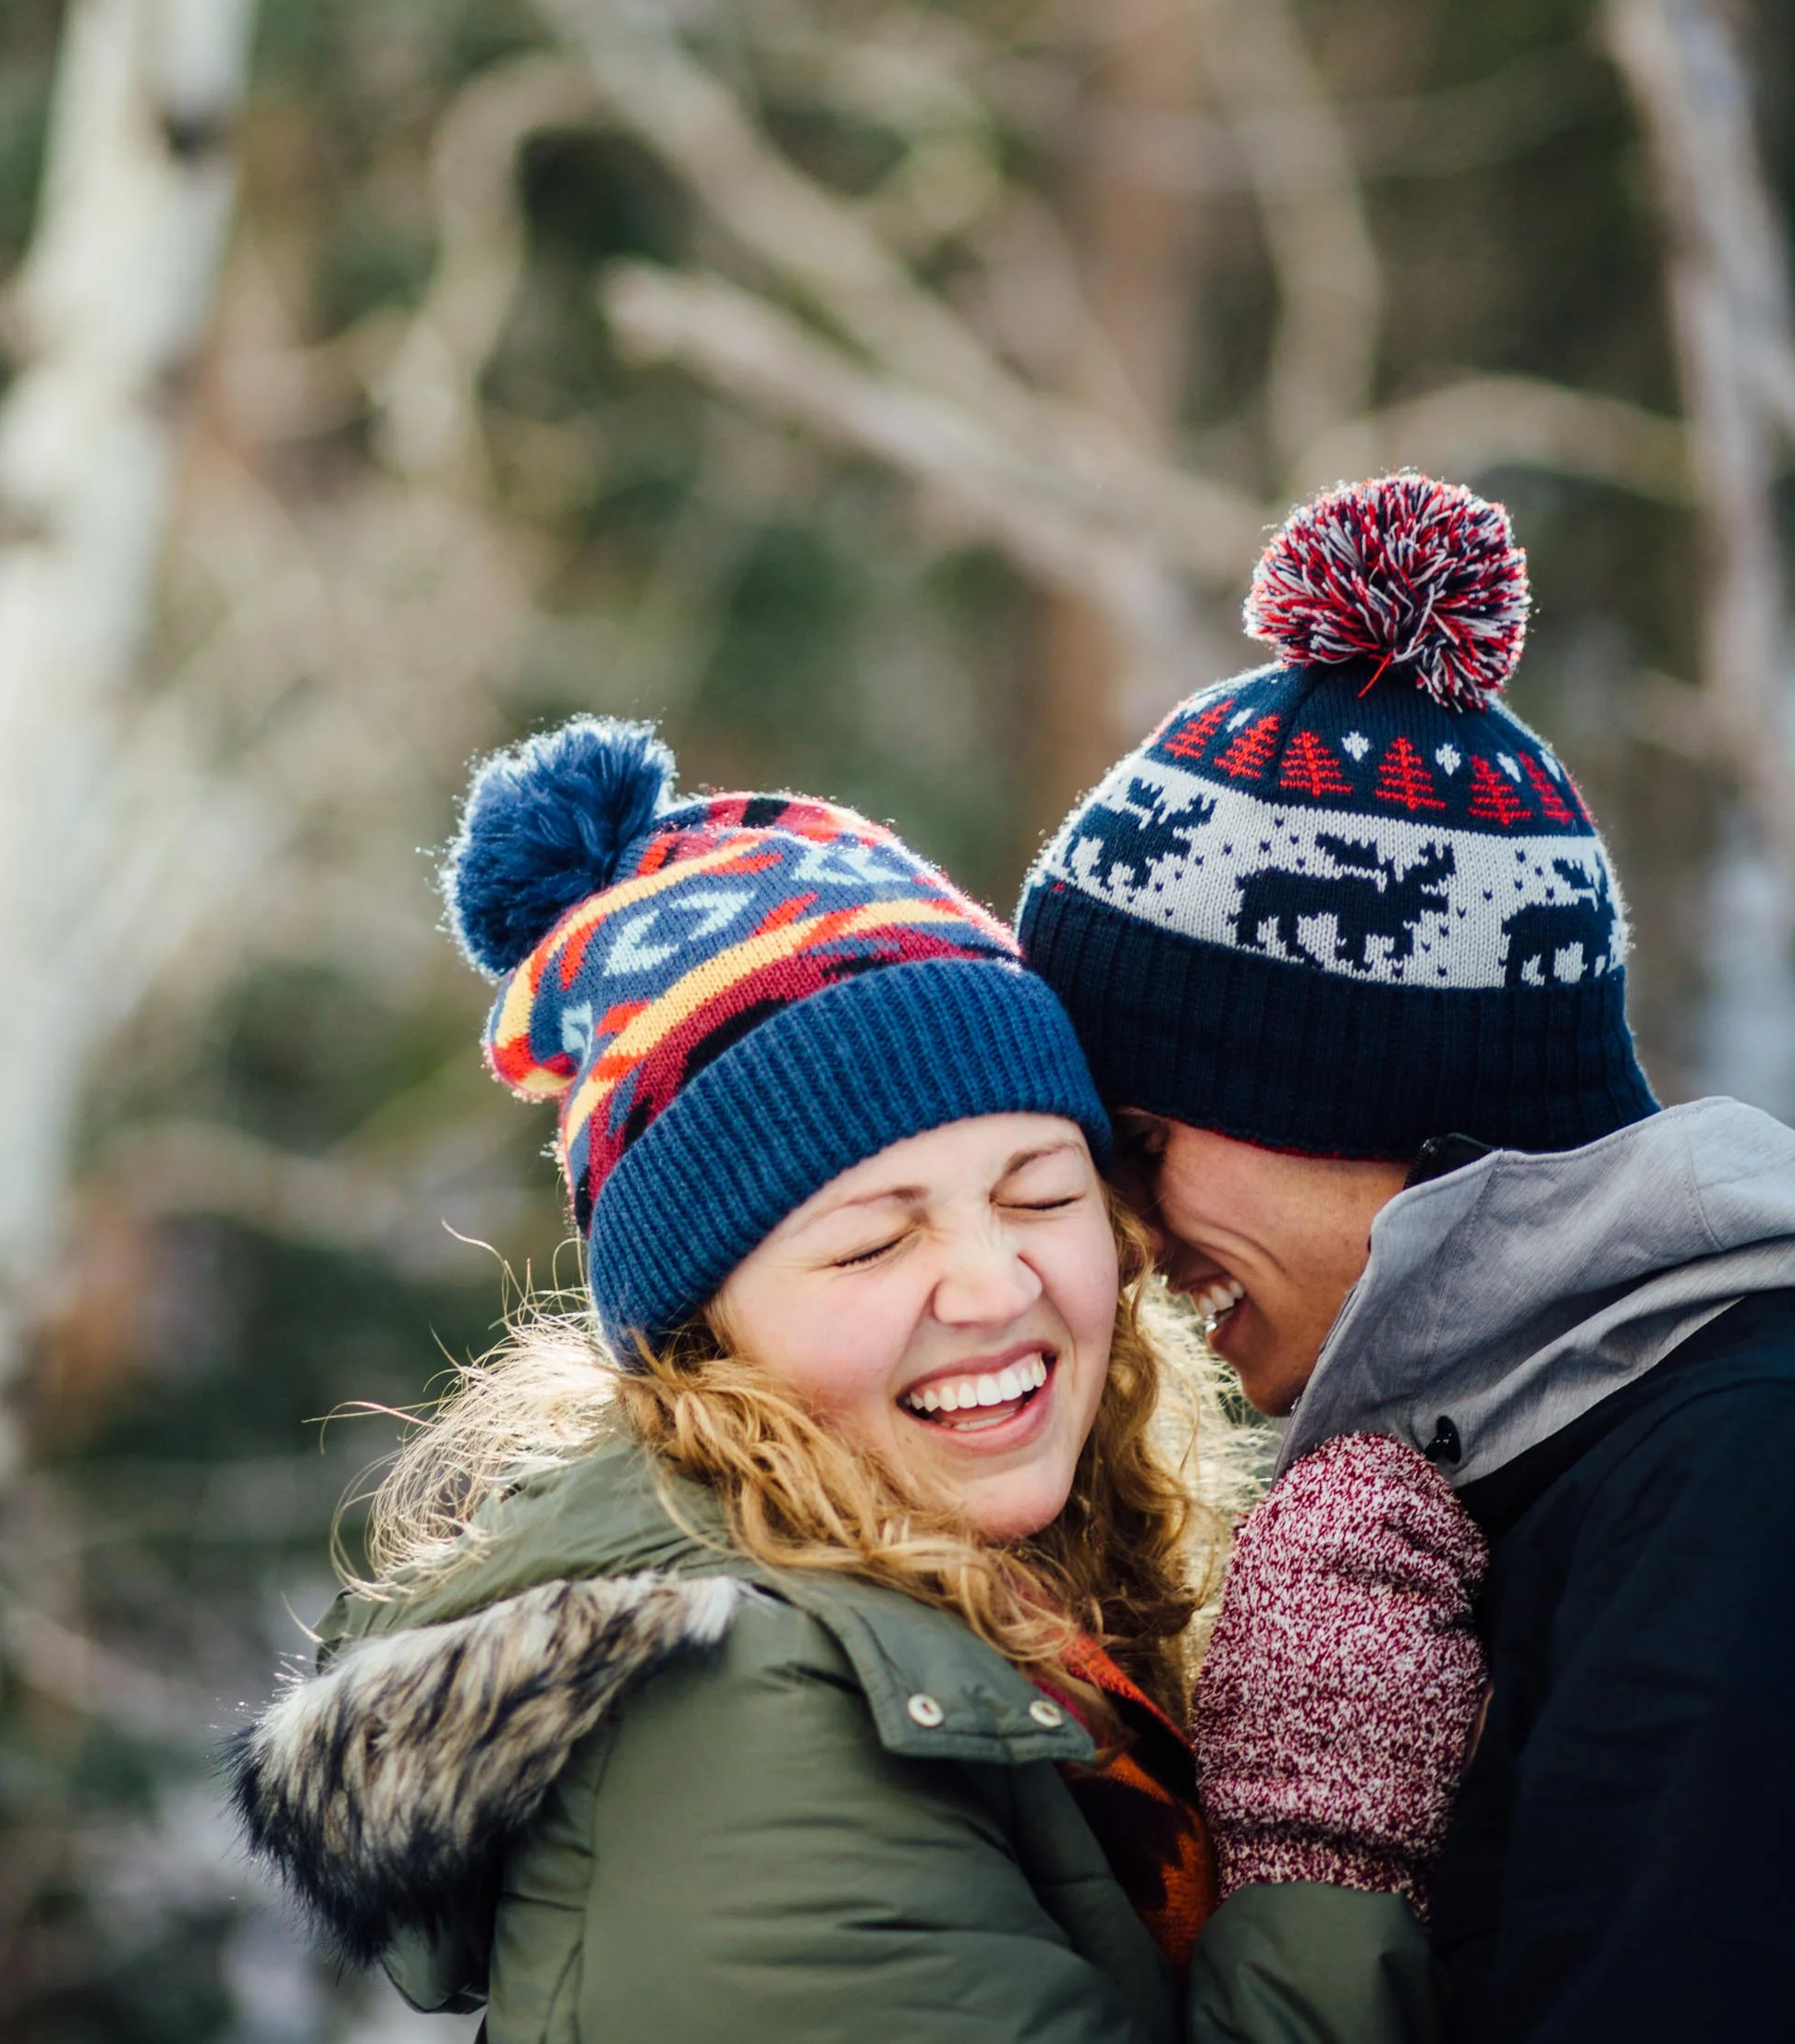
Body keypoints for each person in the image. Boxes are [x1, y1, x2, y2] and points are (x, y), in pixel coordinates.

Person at [231, 719, 1484, 2043]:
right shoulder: (741, 1725)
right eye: (876, 1242)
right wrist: (1320, 1850)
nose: (993, 1286)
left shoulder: (1022, 1612)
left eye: (1039, 1195)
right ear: (701, 1335)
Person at [1021, 468, 1795, 2043]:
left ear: (1364, 1095)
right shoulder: (1526, 1462)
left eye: (1143, 1139)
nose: (1127, 1236)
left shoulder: (1733, 1482)